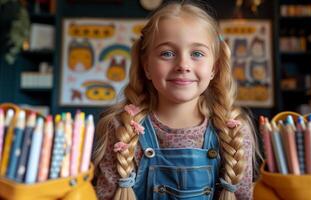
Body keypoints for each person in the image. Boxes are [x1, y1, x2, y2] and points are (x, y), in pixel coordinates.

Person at [93, 1, 259, 200]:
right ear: (146, 66)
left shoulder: (235, 133)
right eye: (167, 53)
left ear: (214, 68)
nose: (183, 65)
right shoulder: (120, 128)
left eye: (197, 53)